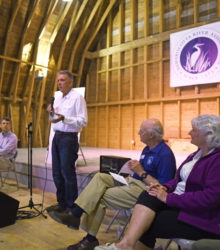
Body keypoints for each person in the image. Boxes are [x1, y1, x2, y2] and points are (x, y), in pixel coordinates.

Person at [95, 114, 220, 250]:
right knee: (148, 194)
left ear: (209, 134)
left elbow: (210, 198)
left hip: (201, 216)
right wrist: (165, 187)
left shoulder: (216, 160)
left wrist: (169, 198)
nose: (189, 132)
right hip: (180, 202)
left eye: (194, 130)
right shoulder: (195, 155)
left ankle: (125, 245)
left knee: (149, 222)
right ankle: (125, 245)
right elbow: (177, 181)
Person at [48, 118, 176, 250]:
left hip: (145, 190)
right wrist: (134, 169)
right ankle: (75, 214)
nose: (138, 133)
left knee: (100, 196)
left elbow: (162, 188)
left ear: (151, 135)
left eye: (141, 131)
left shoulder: (165, 155)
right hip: (131, 182)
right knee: (99, 177)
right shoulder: (147, 149)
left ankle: (89, 238)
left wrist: (141, 172)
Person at [46, 70, 88, 212]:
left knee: (67, 172)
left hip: (68, 139)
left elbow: (83, 121)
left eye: (62, 80)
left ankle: (71, 206)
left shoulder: (77, 98)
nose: (59, 83)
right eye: (58, 80)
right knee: (56, 173)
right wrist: (51, 114)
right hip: (57, 137)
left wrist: (64, 118)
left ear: (71, 82)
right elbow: (53, 120)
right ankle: (62, 203)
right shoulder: (57, 99)